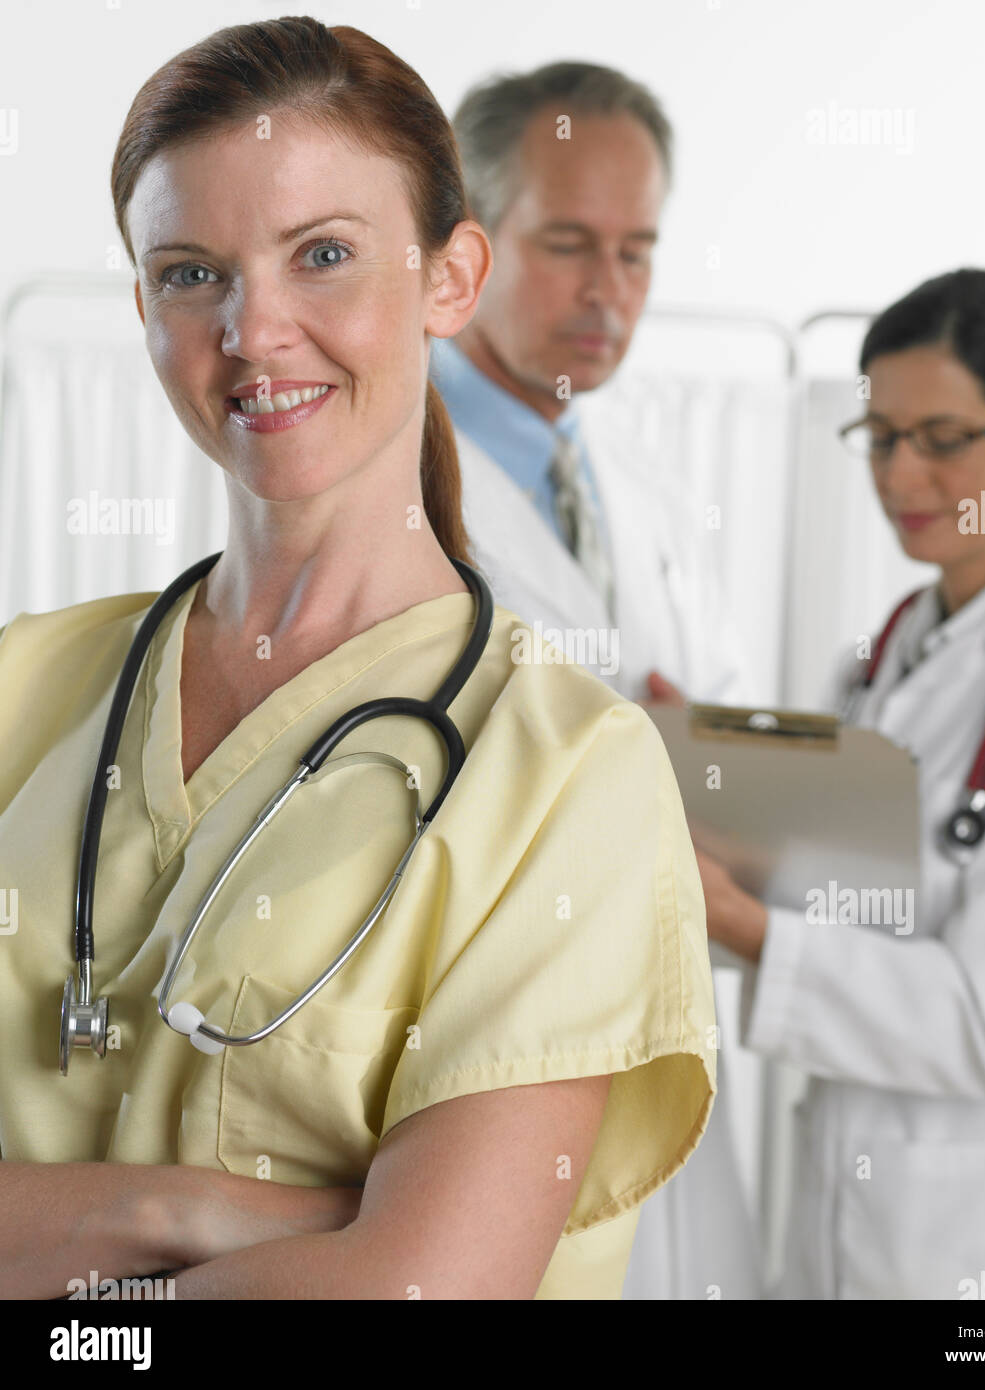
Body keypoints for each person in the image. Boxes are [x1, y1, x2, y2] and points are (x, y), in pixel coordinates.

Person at [0, 17, 717, 1301]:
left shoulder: (568, 777)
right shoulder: (29, 682)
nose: (253, 330)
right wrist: (187, 1209)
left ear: (450, 277)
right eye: (188, 272)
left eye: (321, 255)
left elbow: (418, 1292)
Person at [693, 267, 985, 1299]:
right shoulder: (880, 660)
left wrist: (752, 929)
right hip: (847, 1224)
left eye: (941, 437)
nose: (900, 475)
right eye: (879, 437)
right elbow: (837, 908)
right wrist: (712, 772)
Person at [431, 60, 754, 705]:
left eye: (635, 254)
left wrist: (690, 748)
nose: (608, 292)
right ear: (466, 250)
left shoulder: (647, 476)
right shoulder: (378, 476)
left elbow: (724, 709)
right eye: (567, 245)